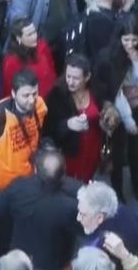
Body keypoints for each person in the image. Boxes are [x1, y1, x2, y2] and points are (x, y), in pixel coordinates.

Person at [0, 69, 49, 232]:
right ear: (13, 93)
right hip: (2, 186)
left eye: (34, 93)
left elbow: (40, 134)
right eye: (25, 95)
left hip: (29, 178)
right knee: (5, 224)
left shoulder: (39, 106)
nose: (31, 100)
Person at [0, 146, 81, 270]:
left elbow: (0, 212)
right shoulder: (72, 203)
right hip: (51, 262)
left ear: (35, 169)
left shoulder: (18, 187)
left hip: (19, 255)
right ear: (63, 173)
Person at [94, 18, 138, 204]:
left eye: (134, 40)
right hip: (118, 113)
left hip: (137, 107)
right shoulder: (108, 57)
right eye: (126, 40)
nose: (130, 45)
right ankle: (117, 190)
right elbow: (115, 93)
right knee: (117, 154)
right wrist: (128, 122)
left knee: (136, 151)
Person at [46, 54, 107, 183]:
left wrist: (106, 120)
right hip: (69, 153)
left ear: (87, 77)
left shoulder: (97, 90)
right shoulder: (56, 95)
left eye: (76, 78)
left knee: (86, 179)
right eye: (68, 76)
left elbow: (104, 109)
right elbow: (47, 130)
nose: (70, 81)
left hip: (92, 148)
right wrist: (67, 125)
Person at [76, 182, 138, 270]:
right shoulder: (128, 214)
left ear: (99, 217)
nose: (78, 218)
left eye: (83, 214)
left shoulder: (94, 250)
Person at [0, 18, 57, 98]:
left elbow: (52, 70)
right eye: (29, 34)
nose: (34, 37)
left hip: (52, 98)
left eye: (34, 32)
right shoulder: (11, 62)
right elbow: (9, 91)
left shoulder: (42, 45)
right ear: (18, 38)